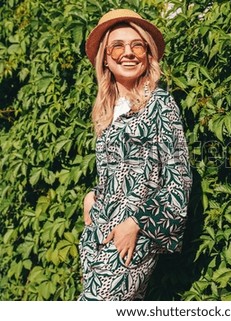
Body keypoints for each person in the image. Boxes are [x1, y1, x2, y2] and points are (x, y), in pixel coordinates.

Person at [78, 8, 192, 300]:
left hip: (133, 234)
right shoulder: (106, 111)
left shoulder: (160, 105)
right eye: (118, 46)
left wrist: (137, 223)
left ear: (148, 54)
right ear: (105, 57)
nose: (128, 53)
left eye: (137, 45)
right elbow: (116, 174)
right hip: (98, 232)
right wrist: (91, 196)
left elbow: (179, 180)